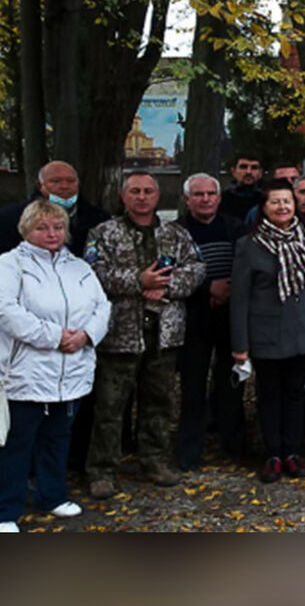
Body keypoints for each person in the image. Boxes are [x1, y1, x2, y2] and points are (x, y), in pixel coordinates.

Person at [85, 172, 205, 498]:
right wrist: (139, 281)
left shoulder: (176, 233)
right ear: (123, 197)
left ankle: (154, 461)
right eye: (135, 191)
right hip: (120, 335)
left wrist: (164, 284)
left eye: (148, 191)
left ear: (158, 196)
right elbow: (93, 273)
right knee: (110, 407)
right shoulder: (104, 233)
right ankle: (102, 470)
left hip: (164, 334)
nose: (142, 197)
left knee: (159, 404)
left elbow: (196, 269)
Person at [0, 201, 111, 533]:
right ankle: (6, 508)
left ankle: (53, 495)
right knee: (18, 441)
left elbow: (102, 306)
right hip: (27, 370)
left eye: (58, 227)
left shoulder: (78, 267)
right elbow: (7, 312)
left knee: (58, 436)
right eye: (42, 227)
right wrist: (54, 337)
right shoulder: (10, 265)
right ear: (26, 230)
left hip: (70, 370)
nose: (51, 234)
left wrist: (87, 335)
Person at [231, 178, 305, 484]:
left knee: (296, 394)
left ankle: (292, 453)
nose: (283, 207)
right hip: (266, 333)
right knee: (269, 395)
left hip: (302, 331)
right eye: (276, 202)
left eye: (287, 201)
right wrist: (240, 345)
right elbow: (240, 298)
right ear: (264, 208)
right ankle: (272, 455)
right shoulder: (250, 245)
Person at [175, 173, 247, 470]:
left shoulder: (235, 226)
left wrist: (229, 290)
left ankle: (234, 446)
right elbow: (172, 274)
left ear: (218, 197)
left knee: (230, 383)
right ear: (187, 199)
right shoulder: (176, 231)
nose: (205, 199)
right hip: (194, 318)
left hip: (231, 317)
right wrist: (208, 289)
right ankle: (189, 451)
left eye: (210, 194)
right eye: (198, 194)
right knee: (193, 388)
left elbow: (246, 263)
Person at [0, 161, 109, 257]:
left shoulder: (98, 218)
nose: (64, 186)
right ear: (40, 185)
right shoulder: (10, 218)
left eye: (71, 181)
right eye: (55, 181)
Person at [219, 153, 264, 221]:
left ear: (260, 173)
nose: (248, 172)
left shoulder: (267, 198)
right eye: (243, 167)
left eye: (254, 168)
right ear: (233, 171)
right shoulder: (222, 198)